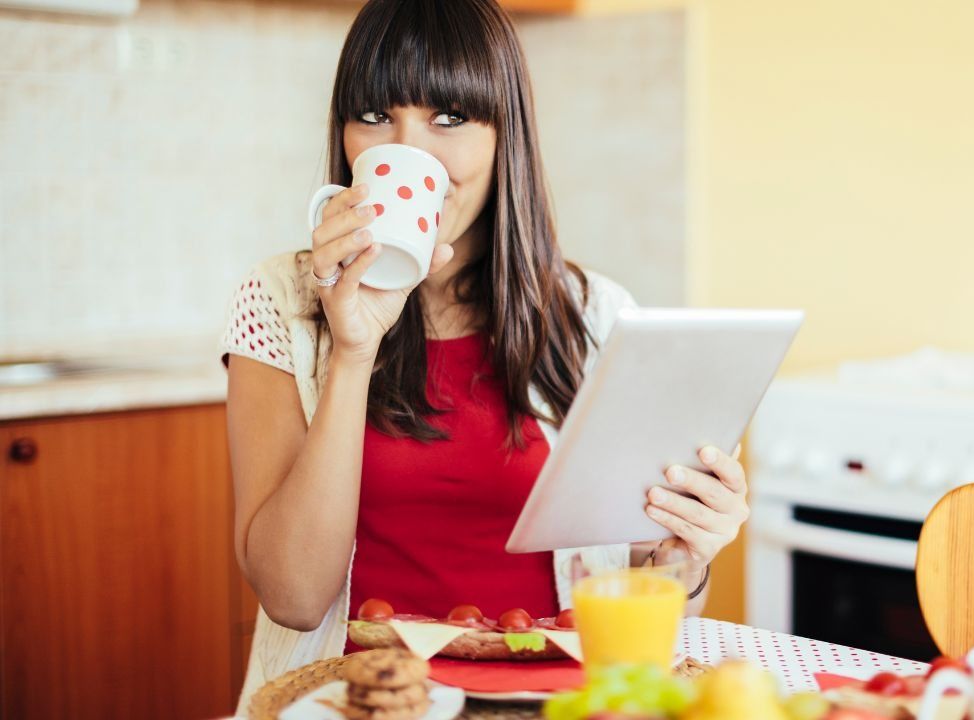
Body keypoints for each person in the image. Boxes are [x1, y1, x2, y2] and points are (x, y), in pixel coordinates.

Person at [220, 0, 750, 711]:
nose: (412, 152)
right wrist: (353, 349)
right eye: (375, 116)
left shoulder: (596, 317)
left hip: (553, 700)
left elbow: (643, 619)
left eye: (449, 118)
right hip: (359, 702)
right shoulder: (278, 300)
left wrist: (684, 558)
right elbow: (291, 597)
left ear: (507, 138)